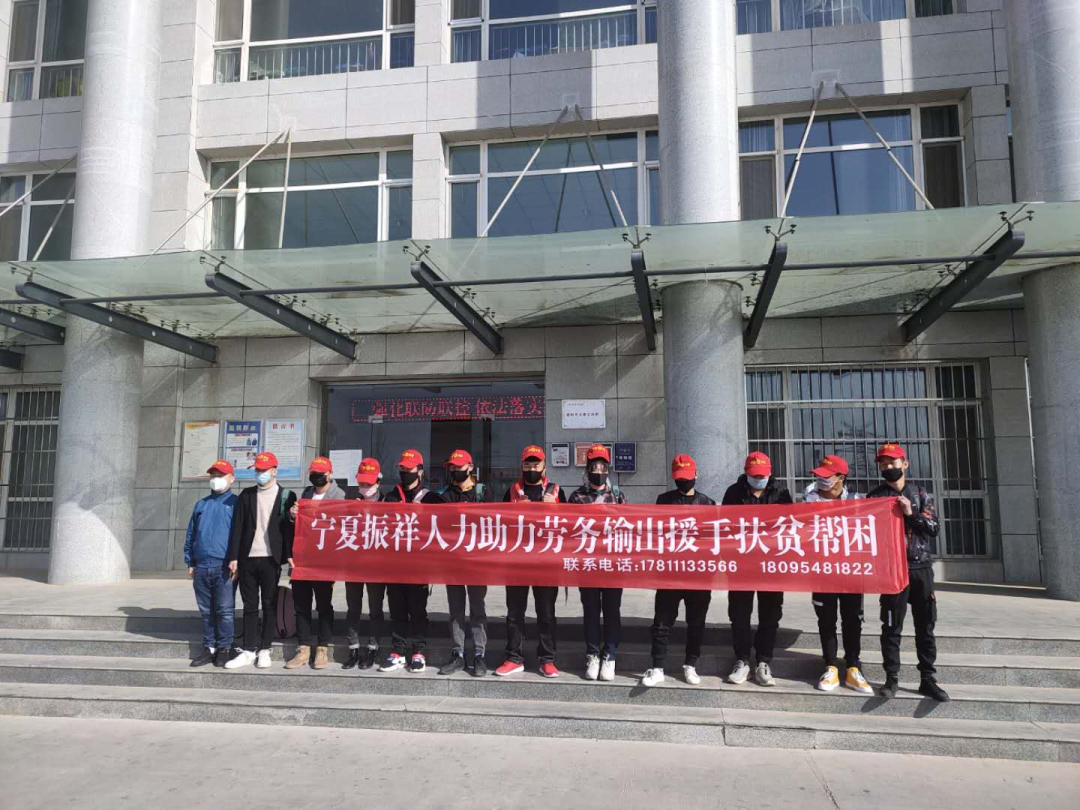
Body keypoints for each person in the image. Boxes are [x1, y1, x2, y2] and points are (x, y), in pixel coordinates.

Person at [869, 443, 950, 702]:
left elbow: (934, 528)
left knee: (925, 626)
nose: (888, 467)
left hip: (920, 568)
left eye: (892, 462)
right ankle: (891, 678)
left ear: (905, 464)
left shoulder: (920, 493)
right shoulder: (875, 497)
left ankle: (928, 679)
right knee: (891, 626)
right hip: (892, 571)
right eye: (883, 464)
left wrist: (910, 513)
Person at [641, 454, 715, 687]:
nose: (683, 482)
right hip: (670, 573)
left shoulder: (708, 503)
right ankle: (657, 667)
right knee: (662, 622)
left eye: (687, 477)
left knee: (696, 622)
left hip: (698, 575)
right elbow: (655, 533)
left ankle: (691, 665)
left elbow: (715, 539)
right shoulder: (663, 501)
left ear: (696, 475)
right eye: (679, 478)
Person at [722, 451, 792, 687]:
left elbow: (790, 526)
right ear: (746, 472)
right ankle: (742, 660)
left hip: (772, 565)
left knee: (770, 614)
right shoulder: (733, 493)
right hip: (742, 564)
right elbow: (725, 527)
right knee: (739, 614)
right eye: (754, 475)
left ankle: (763, 661)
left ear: (770, 473)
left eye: (762, 475)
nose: (758, 479)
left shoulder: (781, 493)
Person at [804, 455, 872, 695]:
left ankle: (853, 667)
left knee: (852, 619)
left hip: (850, 571)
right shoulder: (809, 500)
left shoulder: (857, 501)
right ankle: (831, 666)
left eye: (826, 476)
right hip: (822, 571)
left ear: (841, 478)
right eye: (819, 476)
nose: (821, 480)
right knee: (826, 619)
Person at [496, 445, 565, 679]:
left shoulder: (556, 491)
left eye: (536, 464)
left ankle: (547, 659)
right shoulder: (512, 492)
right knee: (515, 613)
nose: (532, 468)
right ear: (521, 466)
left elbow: (571, 527)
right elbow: (500, 524)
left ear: (545, 466)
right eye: (528, 464)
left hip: (546, 562)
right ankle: (514, 658)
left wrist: (555, 509)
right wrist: (515, 511)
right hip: (517, 561)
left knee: (546, 613)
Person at [225, 452, 297, 670]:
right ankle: (249, 649)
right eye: (257, 470)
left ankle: (265, 649)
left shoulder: (287, 496)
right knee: (249, 605)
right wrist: (234, 557)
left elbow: (289, 531)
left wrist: (290, 555)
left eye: (264, 470)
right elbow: (237, 528)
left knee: (269, 605)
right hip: (247, 558)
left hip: (271, 559)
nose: (260, 473)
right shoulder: (246, 495)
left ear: (274, 471)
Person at [379, 449, 444, 673]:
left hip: (420, 565)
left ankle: (418, 651)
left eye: (409, 469)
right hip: (394, 564)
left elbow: (446, 525)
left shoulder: (432, 499)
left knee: (417, 610)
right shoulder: (390, 497)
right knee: (397, 609)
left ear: (420, 471)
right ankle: (397, 651)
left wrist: (423, 514)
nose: (405, 473)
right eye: (402, 469)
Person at [569, 444, 627, 682]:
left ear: (608, 469)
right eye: (594, 467)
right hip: (588, 564)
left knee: (612, 611)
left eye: (603, 467)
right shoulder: (576, 496)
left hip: (613, 564)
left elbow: (627, 527)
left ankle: (610, 655)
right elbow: (569, 529)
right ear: (587, 469)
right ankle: (593, 654)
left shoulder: (618, 495)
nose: (599, 471)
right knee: (591, 611)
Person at [436, 449, 492, 677]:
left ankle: (479, 655)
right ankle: (457, 654)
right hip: (453, 561)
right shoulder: (444, 494)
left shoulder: (483, 492)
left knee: (477, 609)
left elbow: (492, 522)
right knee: (456, 610)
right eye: (452, 467)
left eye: (459, 467)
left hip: (477, 561)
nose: (455, 470)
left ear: (470, 467)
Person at [284, 457, 344, 671]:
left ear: (330, 474)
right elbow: (299, 525)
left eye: (320, 473)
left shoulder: (339, 496)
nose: (316, 477)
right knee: (301, 604)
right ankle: (303, 647)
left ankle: (322, 647)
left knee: (323, 604)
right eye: (313, 473)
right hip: (303, 558)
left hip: (324, 560)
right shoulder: (306, 494)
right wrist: (293, 515)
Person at [184, 459, 239, 668]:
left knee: (224, 610)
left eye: (221, 475)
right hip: (200, 565)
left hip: (224, 565)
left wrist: (236, 560)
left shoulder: (236, 504)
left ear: (231, 479)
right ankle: (210, 647)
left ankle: (225, 647)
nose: (216, 479)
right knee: (206, 610)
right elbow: (191, 533)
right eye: (213, 475)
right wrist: (190, 560)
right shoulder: (201, 504)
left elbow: (241, 536)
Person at [343, 457, 386, 671]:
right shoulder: (350, 501)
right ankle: (353, 648)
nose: (365, 487)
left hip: (377, 564)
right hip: (354, 563)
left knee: (375, 608)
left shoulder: (388, 502)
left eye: (369, 483)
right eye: (361, 483)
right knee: (353, 607)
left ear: (378, 481)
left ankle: (372, 648)